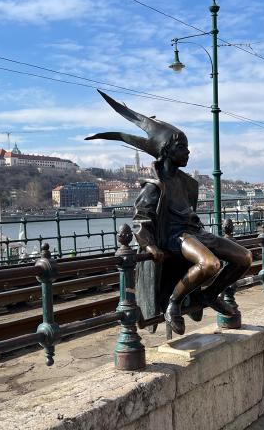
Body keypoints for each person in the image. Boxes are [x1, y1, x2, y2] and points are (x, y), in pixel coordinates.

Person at [86, 90, 252, 334]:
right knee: (210, 264)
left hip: (196, 234)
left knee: (245, 257)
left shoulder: (187, 183)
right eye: (183, 147)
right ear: (167, 150)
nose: (188, 152)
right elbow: (141, 220)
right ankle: (173, 303)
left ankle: (208, 295)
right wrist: (150, 245)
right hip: (176, 237)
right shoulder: (154, 186)